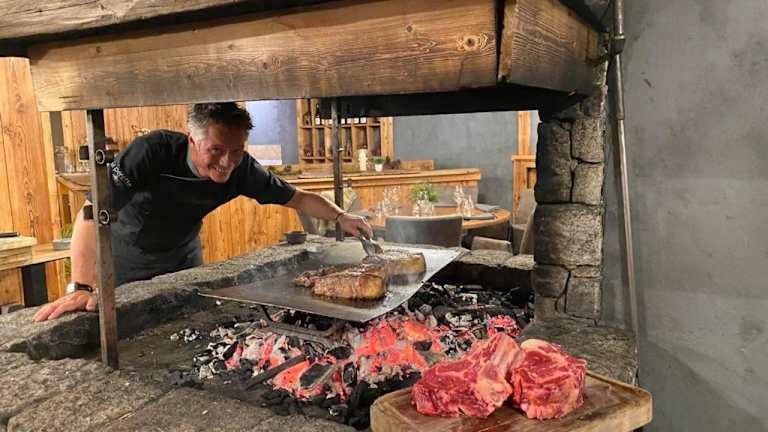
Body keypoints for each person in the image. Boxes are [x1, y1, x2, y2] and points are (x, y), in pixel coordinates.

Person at [33, 103, 372, 322]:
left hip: (184, 256)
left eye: (237, 151)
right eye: (216, 150)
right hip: (128, 258)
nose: (227, 162)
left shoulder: (242, 169)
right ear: (192, 140)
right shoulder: (152, 152)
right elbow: (91, 212)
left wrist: (341, 216)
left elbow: (297, 198)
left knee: (185, 323)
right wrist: (80, 285)